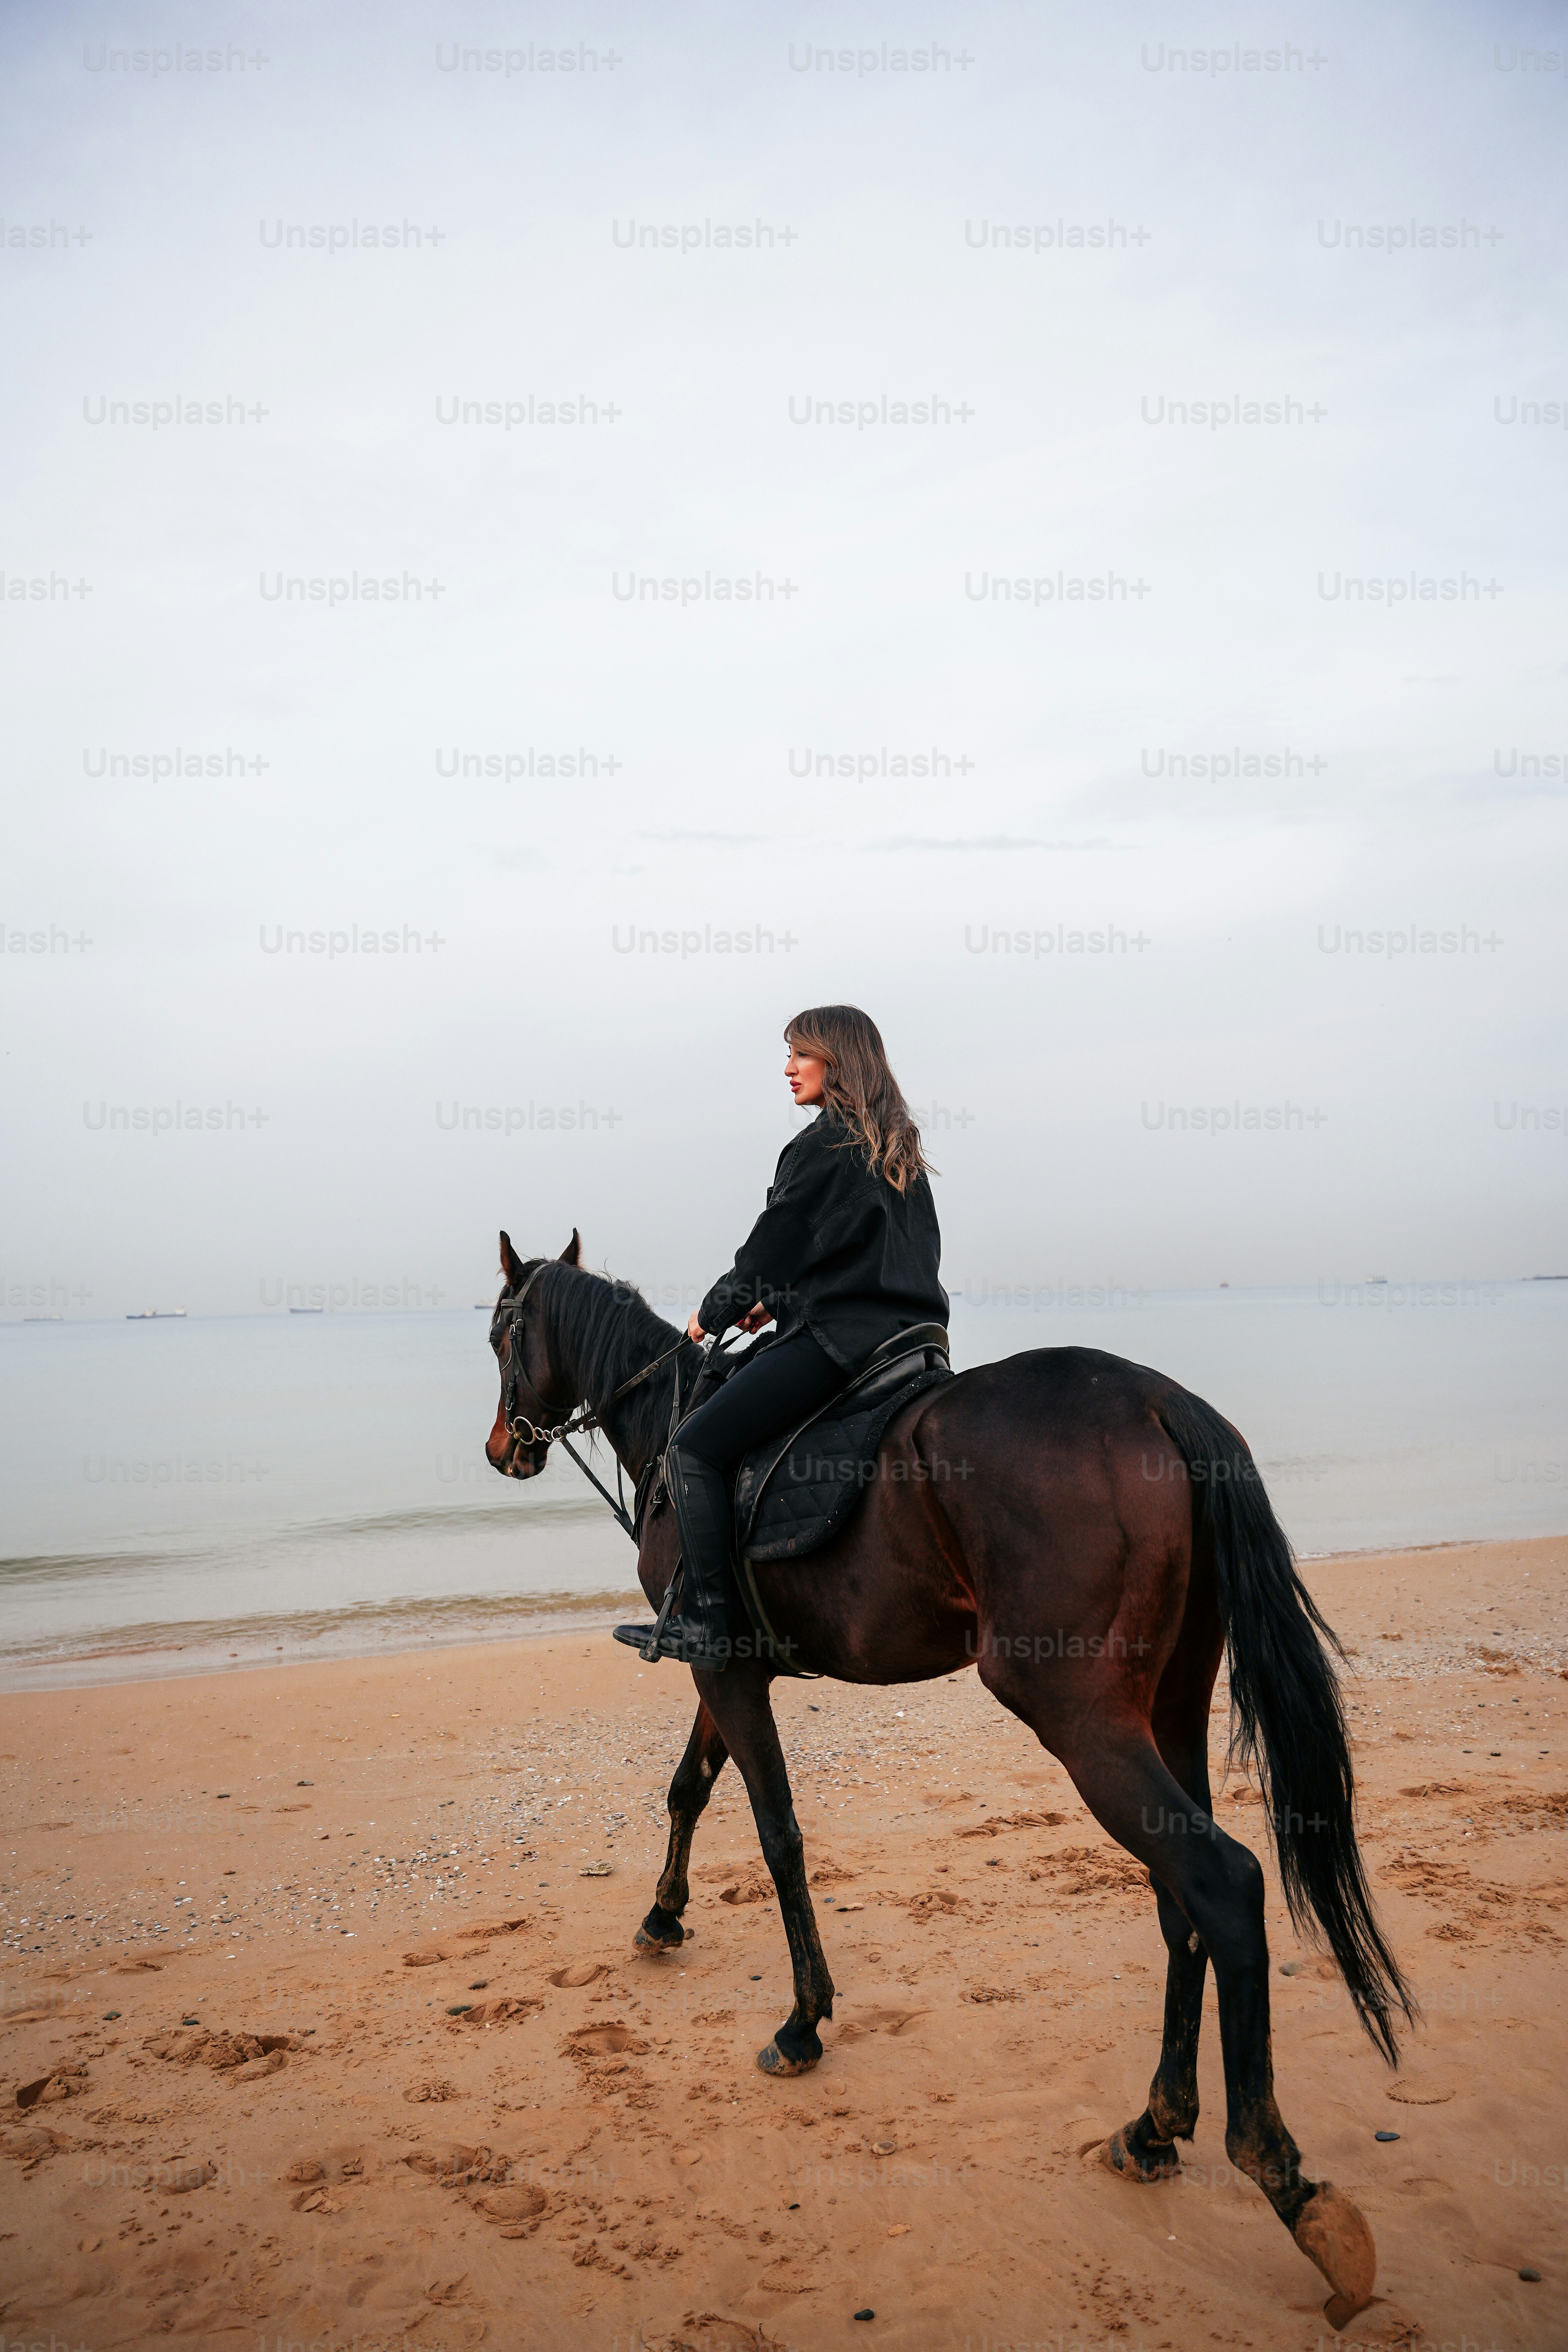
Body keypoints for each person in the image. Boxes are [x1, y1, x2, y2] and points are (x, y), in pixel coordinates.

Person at [623, 1004, 947, 1670]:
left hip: (842, 1346)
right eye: (789, 1055)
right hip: (914, 1343)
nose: (787, 1068)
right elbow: (862, 1261)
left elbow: (770, 1249)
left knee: (692, 1449)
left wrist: (714, 1313)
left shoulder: (823, 1143)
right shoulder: (897, 1148)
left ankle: (710, 1623)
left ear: (838, 1060)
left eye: (801, 1054)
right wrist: (776, 1304)